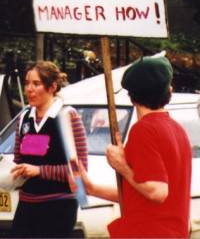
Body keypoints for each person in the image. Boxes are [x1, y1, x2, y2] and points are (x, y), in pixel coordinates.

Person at [80, 53, 192, 238]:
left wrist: (121, 166)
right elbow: (140, 194)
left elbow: (157, 191)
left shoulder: (144, 130)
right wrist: (92, 188)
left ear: (131, 96)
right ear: (168, 92)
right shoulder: (177, 129)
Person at [11, 60, 88, 238]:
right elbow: (18, 160)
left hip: (58, 207)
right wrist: (17, 171)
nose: (29, 89)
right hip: (27, 206)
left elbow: (79, 170)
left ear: (52, 87)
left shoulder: (68, 117)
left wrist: (39, 171)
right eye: (27, 83)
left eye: (36, 84)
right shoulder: (24, 118)